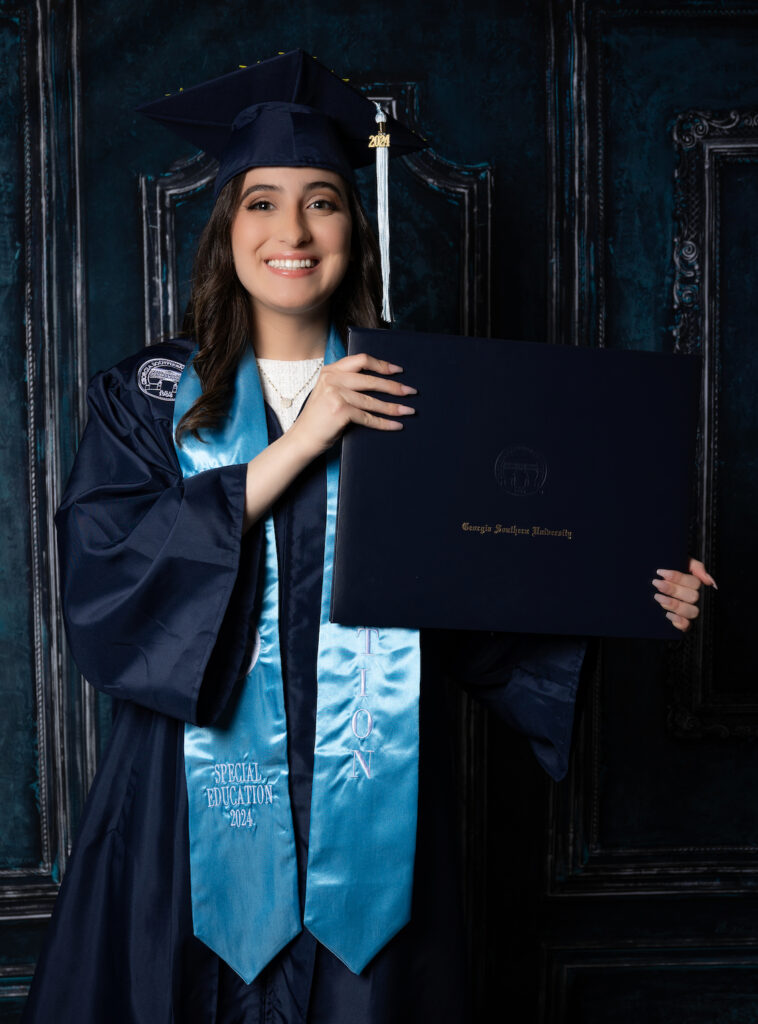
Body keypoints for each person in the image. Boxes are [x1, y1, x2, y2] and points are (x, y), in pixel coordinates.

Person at [22, 49, 713, 1024]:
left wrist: (629, 589)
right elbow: (107, 580)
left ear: (355, 227)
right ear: (226, 229)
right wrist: (303, 439)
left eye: (323, 202)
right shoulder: (146, 398)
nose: (292, 231)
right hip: (183, 803)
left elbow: (484, 586)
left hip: (370, 796)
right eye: (261, 203)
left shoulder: (425, 401)